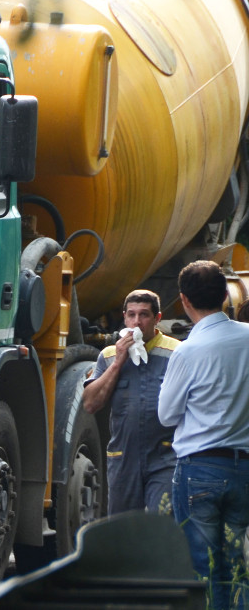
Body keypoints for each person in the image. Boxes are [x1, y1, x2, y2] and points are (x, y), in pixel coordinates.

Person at [158, 260, 249, 610]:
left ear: (184, 301)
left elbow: (166, 414)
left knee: (203, 567)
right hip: (244, 469)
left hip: (200, 470)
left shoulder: (188, 351)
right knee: (236, 565)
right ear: (226, 294)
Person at [82, 289, 179, 515]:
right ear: (124, 317)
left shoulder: (176, 352)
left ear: (157, 319)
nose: (137, 323)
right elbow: (90, 404)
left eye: (144, 315)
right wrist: (118, 362)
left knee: (161, 525)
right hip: (124, 457)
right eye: (132, 315)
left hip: (165, 457)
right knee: (123, 530)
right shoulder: (108, 355)